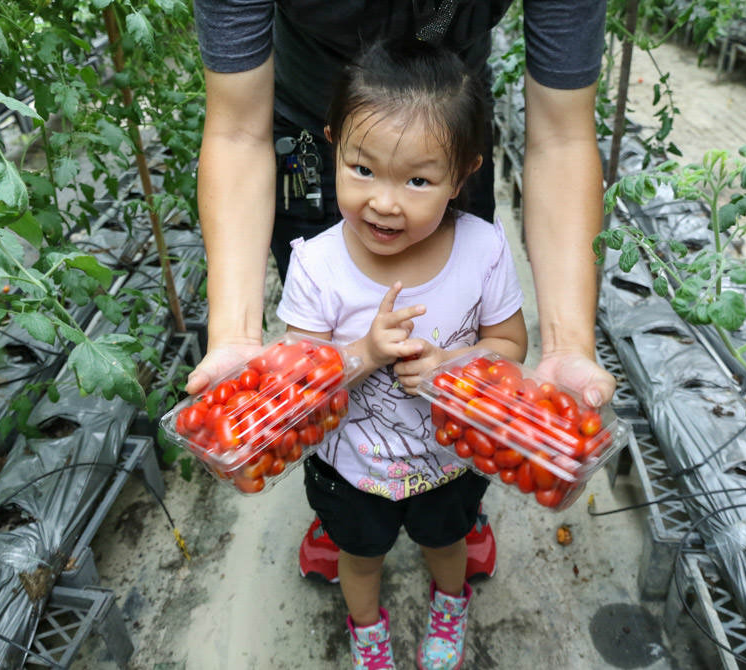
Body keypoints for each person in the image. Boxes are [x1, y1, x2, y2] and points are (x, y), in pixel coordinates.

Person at [187, 0, 616, 589]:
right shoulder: (334, 199)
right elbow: (237, 128)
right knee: (328, 315)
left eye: (412, 189)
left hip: (444, 125)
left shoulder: (464, 210)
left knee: (458, 299)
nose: (386, 206)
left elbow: (563, 136)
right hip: (316, 133)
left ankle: (454, 492)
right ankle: (347, 501)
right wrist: (235, 337)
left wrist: (568, 342)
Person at [276, 38, 527, 667]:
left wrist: (453, 364)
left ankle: (451, 601)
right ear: (334, 144)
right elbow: (296, 378)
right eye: (362, 169)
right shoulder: (317, 266)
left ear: (464, 173)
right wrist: (362, 352)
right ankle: (367, 630)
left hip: (449, 461)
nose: (383, 201)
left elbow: (510, 345)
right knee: (360, 557)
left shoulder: (482, 251)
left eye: (418, 179)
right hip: (350, 470)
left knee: (448, 542)